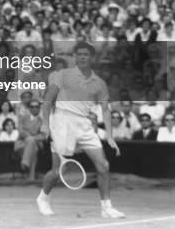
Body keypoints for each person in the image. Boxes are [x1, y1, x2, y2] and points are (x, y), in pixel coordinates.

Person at [37, 42, 124, 218]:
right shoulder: (62, 75)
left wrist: (110, 136)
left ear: (92, 57)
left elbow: (106, 110)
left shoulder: (99, 83)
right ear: (75, 56)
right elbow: (47, 100)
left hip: (84, 124)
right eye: (80, 54)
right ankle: (43, 198)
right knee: (56, 171)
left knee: (103, 165)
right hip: (62, 121)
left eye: (86, 54)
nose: (83, 57)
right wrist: (46, 124)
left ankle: (106, 207)